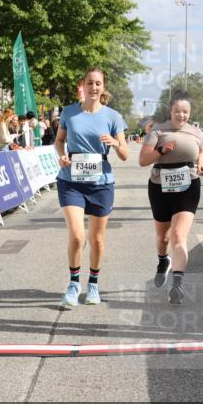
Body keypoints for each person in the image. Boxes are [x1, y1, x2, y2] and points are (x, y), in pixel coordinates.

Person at [54, 66, 128, 308]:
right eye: (90, 83)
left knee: (96, 240)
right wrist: (62, 156)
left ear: (103, 87)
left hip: (101, 183)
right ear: (83, 85)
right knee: (77, 236)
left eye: (98, 83)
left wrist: (116, 143)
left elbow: (126, 154)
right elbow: (59, 141)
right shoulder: (69, 112)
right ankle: (74, 284)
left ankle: (93, 285)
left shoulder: (113, 117)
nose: (94, 87)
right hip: (71, 179)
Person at [139, 90, 203, 305]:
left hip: (188, 184)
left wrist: (201, 164)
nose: (182, 116)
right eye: (178, 112)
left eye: (185, 112)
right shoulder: (158, 131)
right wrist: (161, 150)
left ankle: (177, 284)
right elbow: (143, 160)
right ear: (171, 111)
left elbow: (202, 151)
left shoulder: (197, 132)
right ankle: (163, 261)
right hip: (160, 186)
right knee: (164, 239)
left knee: (179, 236)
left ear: (190, 113)